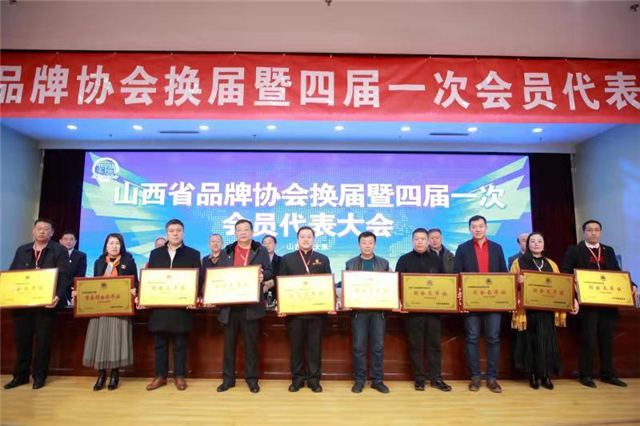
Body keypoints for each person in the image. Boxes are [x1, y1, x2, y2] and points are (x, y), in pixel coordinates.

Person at [561, 220, 638, 388]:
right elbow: (565, 272)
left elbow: (617, 272)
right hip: (587, 304)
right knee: (588, 339)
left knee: (607, 340)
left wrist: (631, 285)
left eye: (596, 230)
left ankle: (608, 374)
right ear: (584, 232)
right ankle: (585, 375)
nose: (593, 233)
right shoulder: (575, 250)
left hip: (607, 303)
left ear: (601, 233)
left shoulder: (608, 250)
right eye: (589, 230)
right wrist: (574, 288)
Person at [4, 219, 71, 390]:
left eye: (46, 229)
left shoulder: (59, 250)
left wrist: (57, 296)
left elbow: (64, 276)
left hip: (46, 305)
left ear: (52, 232)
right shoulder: (22, 250)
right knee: (22, 341)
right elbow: (12, 275)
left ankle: (39, 376)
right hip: (22, 305)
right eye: (39, 228)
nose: (42, 231)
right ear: (33, 231)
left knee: (43, 342)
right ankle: (20, 376)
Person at [510, 232, 577, 390]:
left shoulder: (551, 264)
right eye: (532, 241)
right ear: (528, 244)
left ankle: (546, 375)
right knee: (531, 343)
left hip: (547, 311)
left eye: (539, 241)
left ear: (544, 244)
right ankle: (533, 375)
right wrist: (517, 281)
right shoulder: (518, 262)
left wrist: (572, 299)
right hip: (528, 312)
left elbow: (561, 285)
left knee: (546, 342)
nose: (536, 244)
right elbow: (509, 284)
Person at [145, 219, 202, 392]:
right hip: (160, 306)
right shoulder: (156, 254)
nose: (175, 233)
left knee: (180, 344)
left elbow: (198, 280)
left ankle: (179, 376)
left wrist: (194, 298)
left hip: (181, 307)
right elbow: (150, 278)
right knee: (160, 344)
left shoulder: (193, 254)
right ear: (166, 233)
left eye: (178, 230)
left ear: (183, 233)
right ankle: (160, 376)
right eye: (171, 231)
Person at [216, 220, 272, 394]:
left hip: (251, 306)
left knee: (251, 346)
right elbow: (218, 275)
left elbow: (270, 271)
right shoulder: (227, 251)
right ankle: (228, 380)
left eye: (246, 229)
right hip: (230, 307)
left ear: (252, 232)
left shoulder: (261, 250)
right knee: (229, 346)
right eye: (239, 230)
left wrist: (263, 276)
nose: (242, 232)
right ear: (235, 233)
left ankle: (252, 380)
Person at [454, 215, 508, 393]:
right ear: (469, 229)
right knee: (472, 338)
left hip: (493, 301)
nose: (477, 229)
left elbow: (504, 273)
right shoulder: (462, 248)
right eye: (474, 226)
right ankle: (475, 376)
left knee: (493, 338)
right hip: (472, 301)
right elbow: (457, 273)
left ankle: (492, 377)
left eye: (480, 226)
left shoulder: (497, 248)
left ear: (486, 228)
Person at [79, 233, 138, 391]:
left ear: (121, 246)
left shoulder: (129, 261)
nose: (114, 246)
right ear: (106, 246)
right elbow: (94, 283)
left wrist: (134, 290)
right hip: (101, 309)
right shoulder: (99, 262)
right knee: (100, 341)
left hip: (119, 309)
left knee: (116, 341)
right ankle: (101, 376)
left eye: (117, 243)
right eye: (111, 243)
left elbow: (136, 283)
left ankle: (115, 375)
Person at [396, 228, 451, 392]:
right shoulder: (404, 259)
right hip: (412, 312)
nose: (419, 242)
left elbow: (445, 282)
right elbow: (397, 283)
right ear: (412, 241)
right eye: (416, 239)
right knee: (416, 345)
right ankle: (419, 378)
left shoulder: (436, 259)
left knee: (435, 345)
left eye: (422, 239)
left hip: (433, 311)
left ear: (428, 241)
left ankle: (436, 378)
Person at [279, 226, 332, 393]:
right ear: (297, 239)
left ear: (314, 239)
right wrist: (282, 305)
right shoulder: (287, 259)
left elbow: (328, 284)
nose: (306, 239)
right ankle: (297, 379)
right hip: (295, 313)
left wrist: (330, 303)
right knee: (296, 348)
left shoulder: (323, 259)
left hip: (316, 313)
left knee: (314, 348)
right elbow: (281, 284)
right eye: (302, 237)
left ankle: (314, 380)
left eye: (309, 236)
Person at [345, 231, 391, 394]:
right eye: (364, 243)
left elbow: (389, 286)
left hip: (378, 312)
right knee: (358, 347)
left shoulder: (384, 263)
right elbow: (347, 287)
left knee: (377, 347)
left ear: (375, 245)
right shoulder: (351, 263)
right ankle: (359, 380)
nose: (367, 246)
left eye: (370, 243)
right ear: (359, 245)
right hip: (359, 313)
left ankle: (377, 380)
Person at [59, 230, 87, 306]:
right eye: (65, 239)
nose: (68, 242)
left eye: (71, 239)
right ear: (60, 241)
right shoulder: (55, 255)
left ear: (75, 241)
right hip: (57, 291)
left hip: (72, 290)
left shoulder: (81, 256)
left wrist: (65, 285)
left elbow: (80, 275)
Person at [261, 235, 281, 305]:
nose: (267, 245)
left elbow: (284, 277)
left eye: (270, 243)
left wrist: (273, 282)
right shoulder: (256, 261)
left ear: (275, 245)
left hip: (276, 296)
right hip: (261, 297)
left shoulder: (282, 260)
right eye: (264, 243)